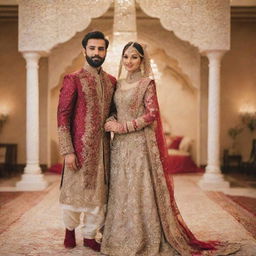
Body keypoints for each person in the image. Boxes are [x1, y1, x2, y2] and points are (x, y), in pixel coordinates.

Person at [101, 42, 240, 256]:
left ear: (142, 60)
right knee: (121, 189)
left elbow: (151, 114)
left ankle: (144, 237)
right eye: (126, 56)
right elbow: (112, 111)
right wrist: (111, 122)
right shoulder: (117, 84)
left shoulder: (147, 83)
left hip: (139, 145)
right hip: (119, 146)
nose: (129, 61)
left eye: (134, 57)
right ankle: (119, 237)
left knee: (139, 188)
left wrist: (123, 127)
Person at [57, 31, 116, 251]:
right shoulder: (73, 79)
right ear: (84, 50)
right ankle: (69, 230)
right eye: (92, 48)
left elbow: (113, 112)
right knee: (73, 194)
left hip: (102, 151)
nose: (96, 53)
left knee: (98, 196)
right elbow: (63, 116)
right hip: (78, 149)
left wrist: (113, 120)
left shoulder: (111, 82)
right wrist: (67, 151)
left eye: (101, 49)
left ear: (105, 52)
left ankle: (90, 235)